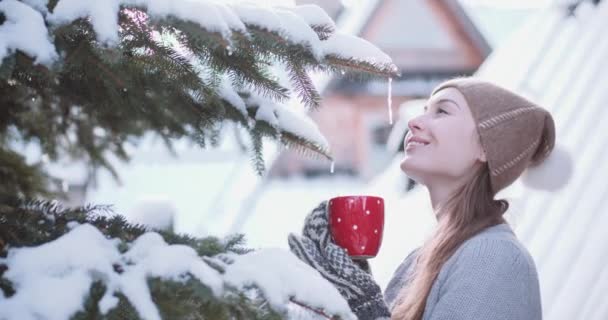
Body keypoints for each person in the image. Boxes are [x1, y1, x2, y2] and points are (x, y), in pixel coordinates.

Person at [288, 77, 572, 320]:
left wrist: (366, 306)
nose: (413, 121)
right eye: (425, 110)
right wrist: (339, 293)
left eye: (442, 112)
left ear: (487, 147)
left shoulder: (494, 258)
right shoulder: (424, 260)